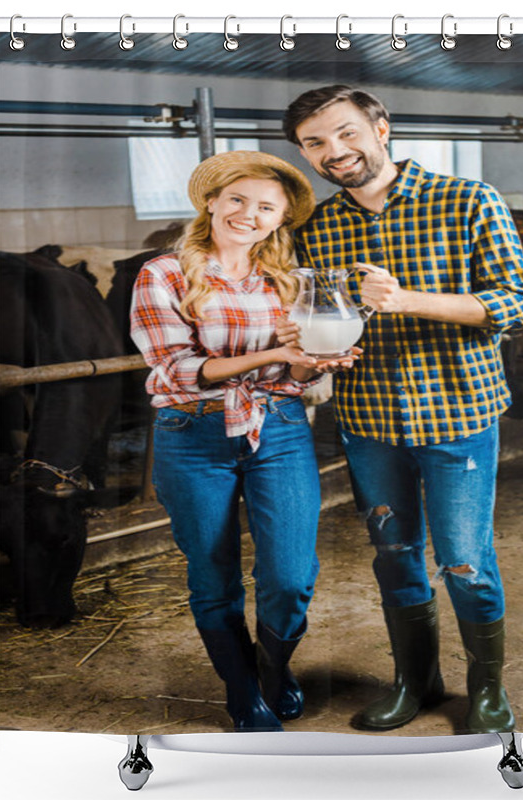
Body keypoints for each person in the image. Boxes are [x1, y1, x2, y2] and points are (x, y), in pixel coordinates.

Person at [278, 86, 523, 733]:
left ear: (382, 127)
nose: (333, 152)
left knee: (464, 559)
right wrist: (308, 346)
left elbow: (520, 301)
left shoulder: (468, 200)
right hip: (369, 419)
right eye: (314, 143)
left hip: (458, 412)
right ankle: (415, 682)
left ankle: (487, 691)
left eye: (345, 133)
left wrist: (409, 299)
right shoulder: (315, 227)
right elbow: (318, 316)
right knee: (394, 553)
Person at [129, 150, 358, 732]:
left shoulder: (286, 281)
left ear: (280, 219)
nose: (247, 214)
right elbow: (176, 370)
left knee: (290, 575)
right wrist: (278, 353)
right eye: (236, 199)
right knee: (212, 573)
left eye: (264, 207)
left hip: (277, 427)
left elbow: (296, 377)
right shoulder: (165, 274)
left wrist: (314, 361)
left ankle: (274, 669)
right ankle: (242, 692)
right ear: (211, 202)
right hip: (191, 431)